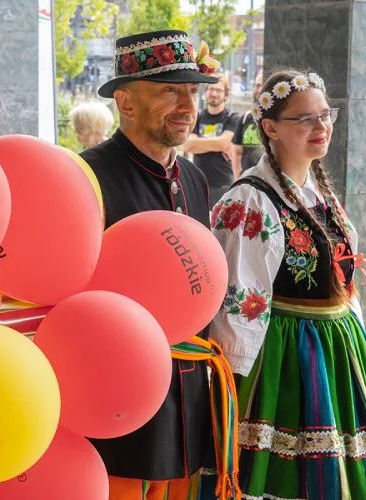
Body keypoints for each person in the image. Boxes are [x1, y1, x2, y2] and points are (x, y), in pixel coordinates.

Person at [209, 69, 366, 499]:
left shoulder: (317, 191)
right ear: (270, 128)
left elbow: (341, 279)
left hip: (338, 349)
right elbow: (240, 302)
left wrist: (354, 335)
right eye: (305, 119)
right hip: (285, 357)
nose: (320, 127)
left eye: (325, 115)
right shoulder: (250, 200)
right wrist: (234, 392)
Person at [80, 30, 239, 500]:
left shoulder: (192, 176)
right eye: (169, 91)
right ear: (126, 103)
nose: (188, 104)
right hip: (119, 392)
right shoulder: (88, 176)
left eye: (192, 91)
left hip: (187, 391)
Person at [183, 74, 240, 206]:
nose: (214, 93)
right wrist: (218, 145)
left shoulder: (232, 118)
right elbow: (187, 145)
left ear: (226, 95)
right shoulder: (197, 117)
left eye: (218, 90)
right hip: (198, 184)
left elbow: (224, 143)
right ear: (206, 92)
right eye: (210, 89)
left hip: (223, 186)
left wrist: (198, 144)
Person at [231, 69, 264, 173]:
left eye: (262, 85)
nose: (258, 89)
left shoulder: (278, 120)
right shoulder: (246, 117)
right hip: (247, 182)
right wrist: (237, 179)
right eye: (257, 85)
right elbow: (236, 151)